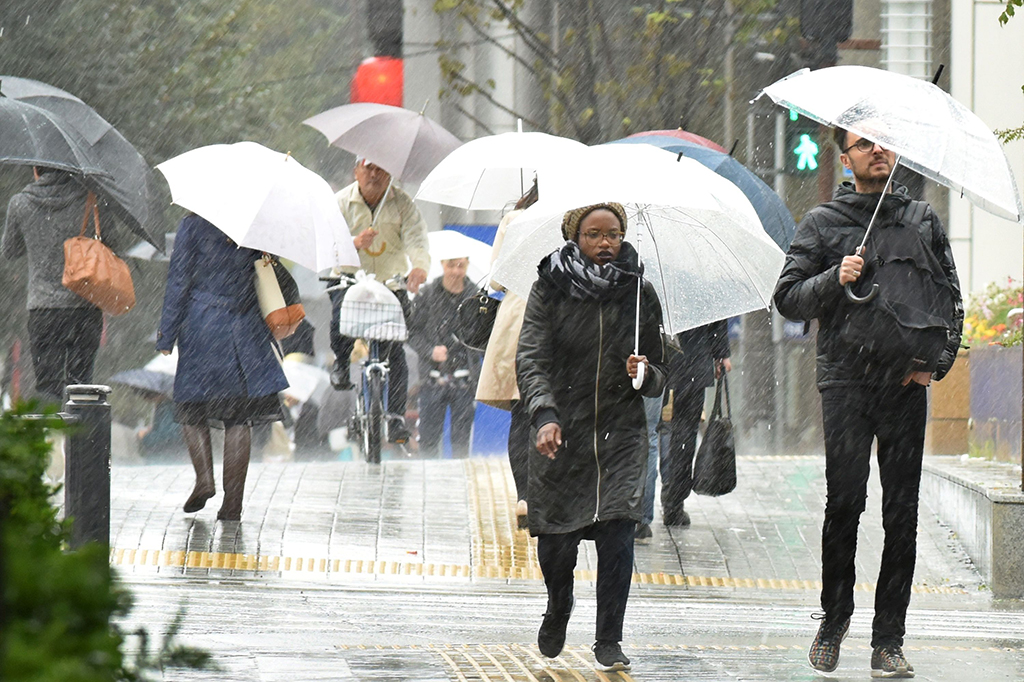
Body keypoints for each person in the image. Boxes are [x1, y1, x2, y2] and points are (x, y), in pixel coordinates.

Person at [773, 129, 963, 678]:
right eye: (864, 144)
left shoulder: (921, 219)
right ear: (846, 156)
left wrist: (936, 365)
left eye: (885, 143)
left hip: (905, 387)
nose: (876, 150)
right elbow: (786, 299)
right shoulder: (822, 224)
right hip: (846, 385)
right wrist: (836, 276)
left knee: (901, 514)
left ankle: (889, 641)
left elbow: (951, 298)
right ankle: (833, 624)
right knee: (845, 504)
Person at [517, 202, 666, 672]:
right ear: (574, 237)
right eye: (595, 234)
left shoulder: (640, 294)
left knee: (619, 533)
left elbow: (664, 367)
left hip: (621, 434)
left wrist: (647, 374)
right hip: (563, 432)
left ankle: (609, 638)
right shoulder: (549, 287)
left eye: (614, 234)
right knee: (558, 541)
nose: (606, 242)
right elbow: (532, 359)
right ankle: (559, 605)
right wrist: (544, 416)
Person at [157, 214, 288, 521]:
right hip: (245, 326)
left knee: (191, 405)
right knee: (239, 416)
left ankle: (204, 479)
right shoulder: (257, 224)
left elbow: (179, 280)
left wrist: (167, 332)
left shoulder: (193, 224)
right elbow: (269, 271)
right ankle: (233, 504)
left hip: (201, 324)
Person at [2, 167, 129, 403]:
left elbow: (10, 251)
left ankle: (51, 437)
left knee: (48, 385)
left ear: (36, 168)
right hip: (84, 308)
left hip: (43, 310)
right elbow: (113, 245)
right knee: (81, 386)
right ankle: (79, 439)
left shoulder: (20, 203)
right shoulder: (92, 200)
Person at [328, 158, 430, 444]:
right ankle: (340, 363)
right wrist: (354, 243)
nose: (374, 174)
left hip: (390, 283)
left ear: (390, 173)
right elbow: (326, 243)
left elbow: (417, 239)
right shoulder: (340, 203)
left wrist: (419, 266)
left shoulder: (402, 203)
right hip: (350, 280)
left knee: (395, 350)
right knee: (339, 320)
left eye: (381, 168)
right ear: (356, 172)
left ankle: (396, 417)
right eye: (368, 167)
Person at [476, 181, 539, 526]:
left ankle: (525, 497)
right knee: (551, 409)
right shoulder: (576, 217)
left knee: (521, 411)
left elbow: (496, 282)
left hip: (517, 320)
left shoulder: (514, 220)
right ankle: (546, 492)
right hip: (562, 318)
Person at [646, 321, 732, 533]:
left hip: (656, 361)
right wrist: (721, 354)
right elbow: (716, 318)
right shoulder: (704, 288)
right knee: (684, 437)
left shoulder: (652, 288)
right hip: (693, 361)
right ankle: (674, 504)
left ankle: (641, 510)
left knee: (647, 434)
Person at [410, 256, 479, 458]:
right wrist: (430, 351)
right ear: (442, 265)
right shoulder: (427, 293)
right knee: (429, 441)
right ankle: (428, 484)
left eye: (461, 266)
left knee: (461, 442)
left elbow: (484, 335)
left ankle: (461, 483)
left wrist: (470, 343)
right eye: (451, 266)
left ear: (467, 264)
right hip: (432, 378)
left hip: (466, 380)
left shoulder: (475, 295)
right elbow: (412, 331)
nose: (456, 272)